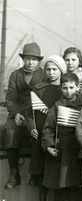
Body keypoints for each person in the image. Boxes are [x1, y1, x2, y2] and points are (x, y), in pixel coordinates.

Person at [3, 42, 47, 189]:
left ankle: (36, 174)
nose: (30, 62)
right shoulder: (15, 75)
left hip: (36, 113)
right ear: (23, 59)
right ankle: (14, 174)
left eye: (34, 59)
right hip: (18, 113)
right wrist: (15, 114)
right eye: (27, 58)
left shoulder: (44, 74)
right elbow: (10, 98)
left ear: (39, 61)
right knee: (10, 131)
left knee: (38, 134)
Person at [25, 55, 66, 201]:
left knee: (57, 177)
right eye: (48, 69)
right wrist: (32, 127)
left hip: (59, 138)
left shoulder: (66, 88)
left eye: (54, 69)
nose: (51, 72)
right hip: (41, 137)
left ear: (61, 70)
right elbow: (29, 113)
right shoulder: (39, 89)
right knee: (42, 177)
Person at [42, 73, 82, 201]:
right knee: (62, 188)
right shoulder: (56, 106)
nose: (68, 91)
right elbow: (47, 128)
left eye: (71, 87)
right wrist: (49, 145)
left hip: (80, 149)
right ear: (61, 88)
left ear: (78, 87)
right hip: (63, 152)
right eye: (65, 88)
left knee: (81, 187)